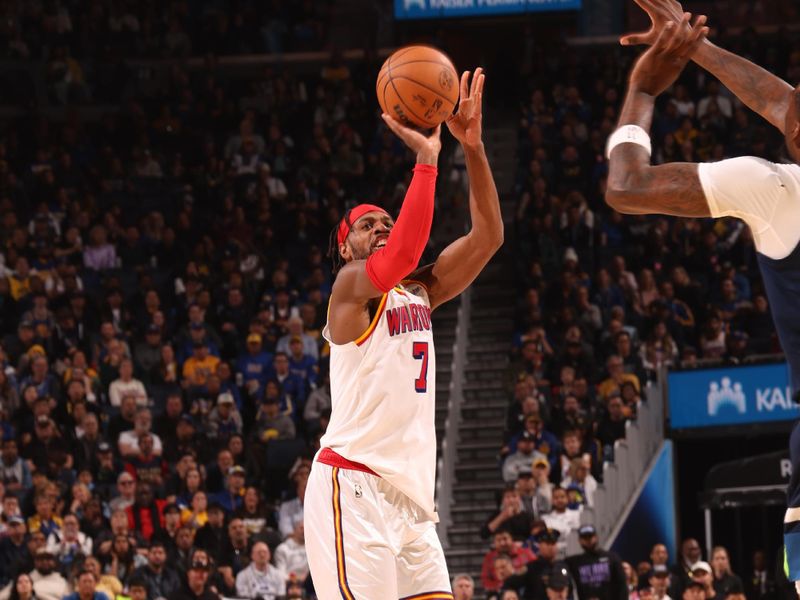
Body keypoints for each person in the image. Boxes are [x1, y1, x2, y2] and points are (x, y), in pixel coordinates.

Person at [607, 2, 799, 588]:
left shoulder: (779, 192)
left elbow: (626, 184)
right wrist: (695, 50)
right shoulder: (779, 189)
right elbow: (782, 103)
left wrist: (642, 89)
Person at [304, 67, 503, 599]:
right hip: (352, 486)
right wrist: (427, 160)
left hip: (411, 504)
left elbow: (487, 238)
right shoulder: (348, 290)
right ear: (346, 249)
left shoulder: (420, 292)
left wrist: (474, 148)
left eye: (387, 220)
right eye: (367, 225)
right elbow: (405, 254)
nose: (383, 227)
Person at [566, 525, 627, 600]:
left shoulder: (612, 558)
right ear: (580, 540)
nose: (588, 540)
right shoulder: (575, 562)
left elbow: (622, 585)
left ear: (596, 537)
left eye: (590, 536)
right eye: (585, 538)